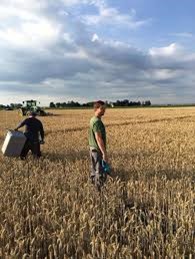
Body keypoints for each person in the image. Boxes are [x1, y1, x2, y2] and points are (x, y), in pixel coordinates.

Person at [89, 100, 108, 189]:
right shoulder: (97, 122)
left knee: (94, 170)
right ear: (96, 109)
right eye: (101, 108)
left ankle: (93, 187)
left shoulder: (93, 119)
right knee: (99, 171)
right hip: (97, 150)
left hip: (92, 149)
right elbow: (98, 138)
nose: (104, 110)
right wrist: (104, 153)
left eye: (104, 108)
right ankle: (98, 192)